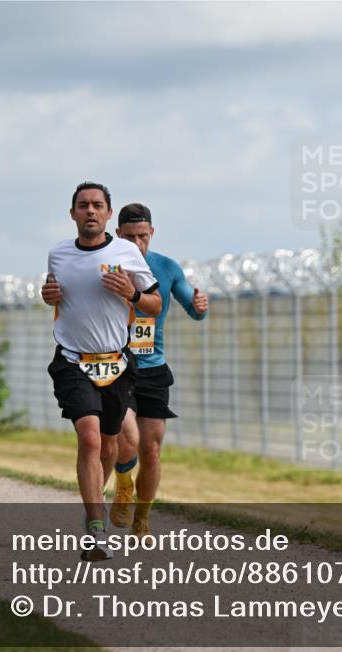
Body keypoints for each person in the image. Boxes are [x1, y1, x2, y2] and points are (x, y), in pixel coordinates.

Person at [41, 183, 162, 561]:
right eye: (83, 205)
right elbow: (57, 297)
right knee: (90, 439)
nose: (90, 211)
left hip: (117, 363)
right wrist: (48, 296)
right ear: (73, 213)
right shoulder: (58, 254)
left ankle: (97, 501)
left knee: (110, 445)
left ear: (109, 213)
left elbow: (155, 304)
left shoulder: (126, 251)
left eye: (97, 205)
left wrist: (132, 293)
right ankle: (95, 527)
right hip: (73, 360)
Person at [109, 202, 209, 537]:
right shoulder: (105, 265)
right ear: (117, 235)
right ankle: (123, 481)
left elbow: (192, 309)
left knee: (151, 447)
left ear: (152, 233)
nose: (137, 244)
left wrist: (199, 306)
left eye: (143, 237)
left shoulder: (165, 267)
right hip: (116, 365)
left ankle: (143, 517)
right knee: (127, 437)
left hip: (153, 368)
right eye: (129, 237)